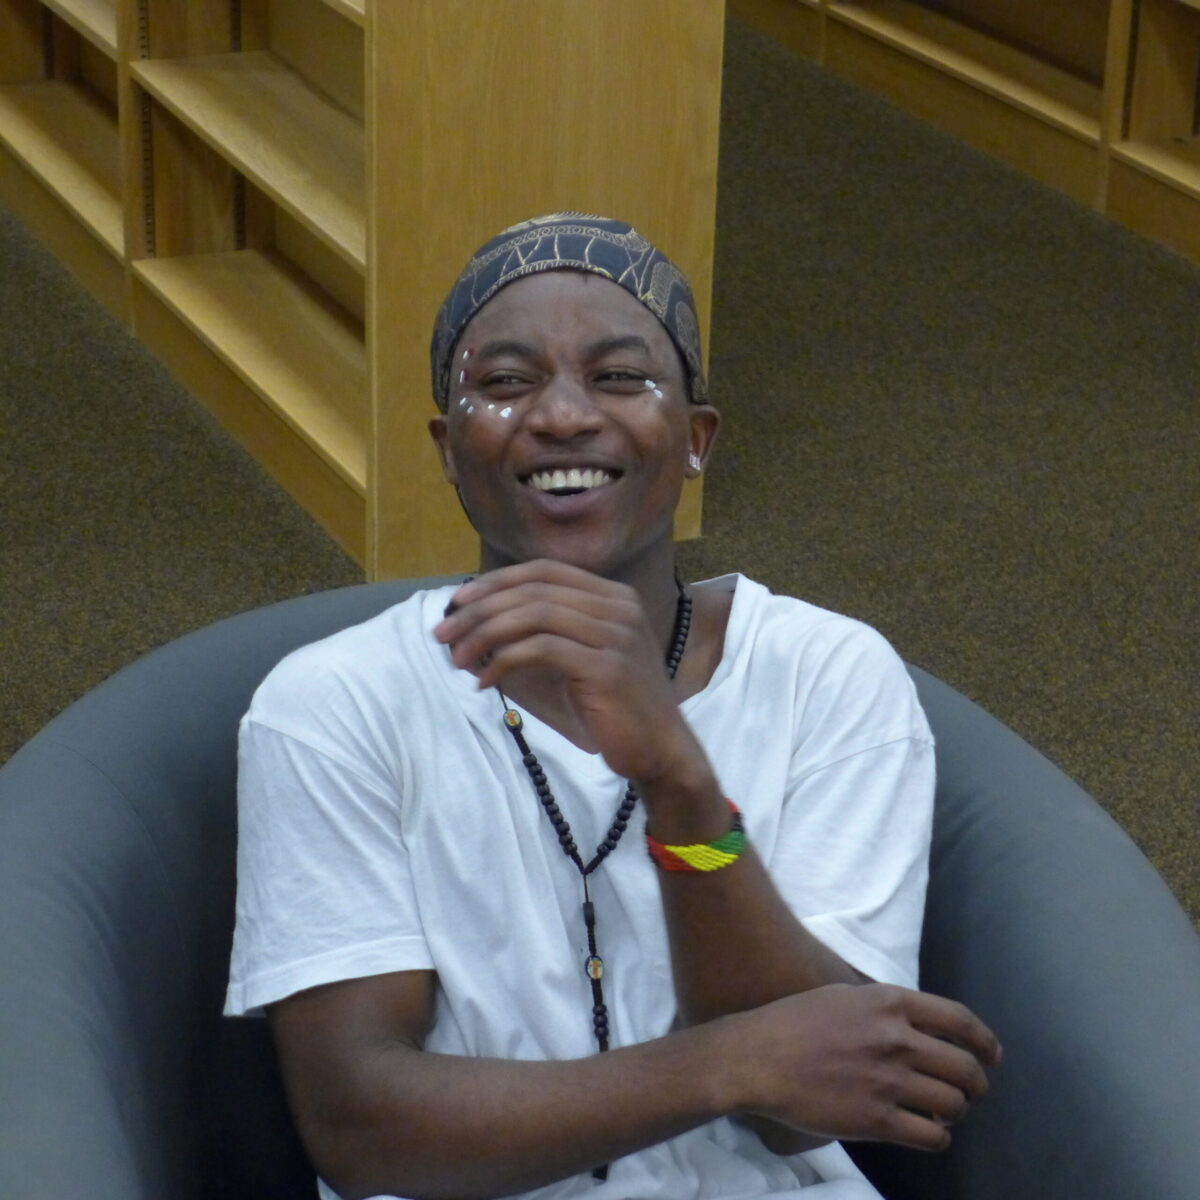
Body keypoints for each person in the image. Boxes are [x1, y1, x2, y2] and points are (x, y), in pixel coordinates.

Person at [225, 213, 1001, 1200]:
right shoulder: (333, 703)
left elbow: (810, 1101)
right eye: (504, 383)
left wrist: (679, 783)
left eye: (620, 377)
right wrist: (730, 1063)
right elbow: (364, 1125)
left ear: (695, 439)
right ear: (448, 448)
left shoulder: (829, 673)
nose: (560, 416)